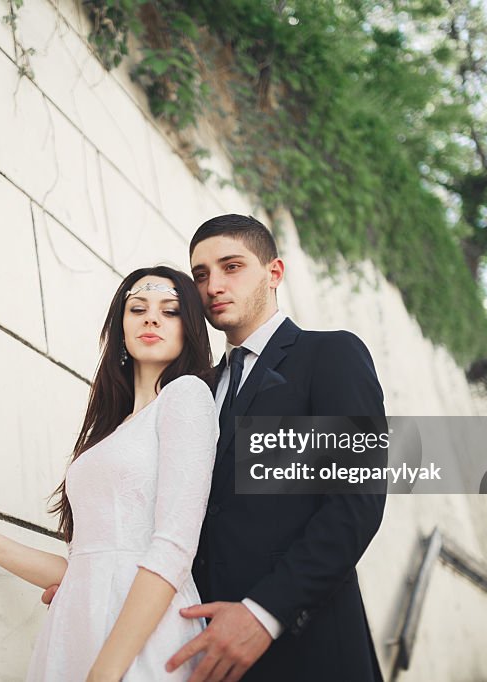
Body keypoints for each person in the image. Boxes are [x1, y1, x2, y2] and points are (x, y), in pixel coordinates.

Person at [0, 265, 220, 681]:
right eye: (137, 308)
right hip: (77, 625)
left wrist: (107, 670)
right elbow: (82, 567)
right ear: (121, 327)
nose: (152, 318)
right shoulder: (111, 433)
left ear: (190, 329)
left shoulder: (186, 396)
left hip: (142, 632)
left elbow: (174, 547)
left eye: (170, 311)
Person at [166, 214, 388, 681]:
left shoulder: (331, 356)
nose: (212, 286)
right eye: (200, 274)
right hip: (205, 649)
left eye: (231, 266)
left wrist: (264, 612)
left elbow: (356, 504)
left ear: (274, 273)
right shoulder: (197, 390)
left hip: (310, 648)